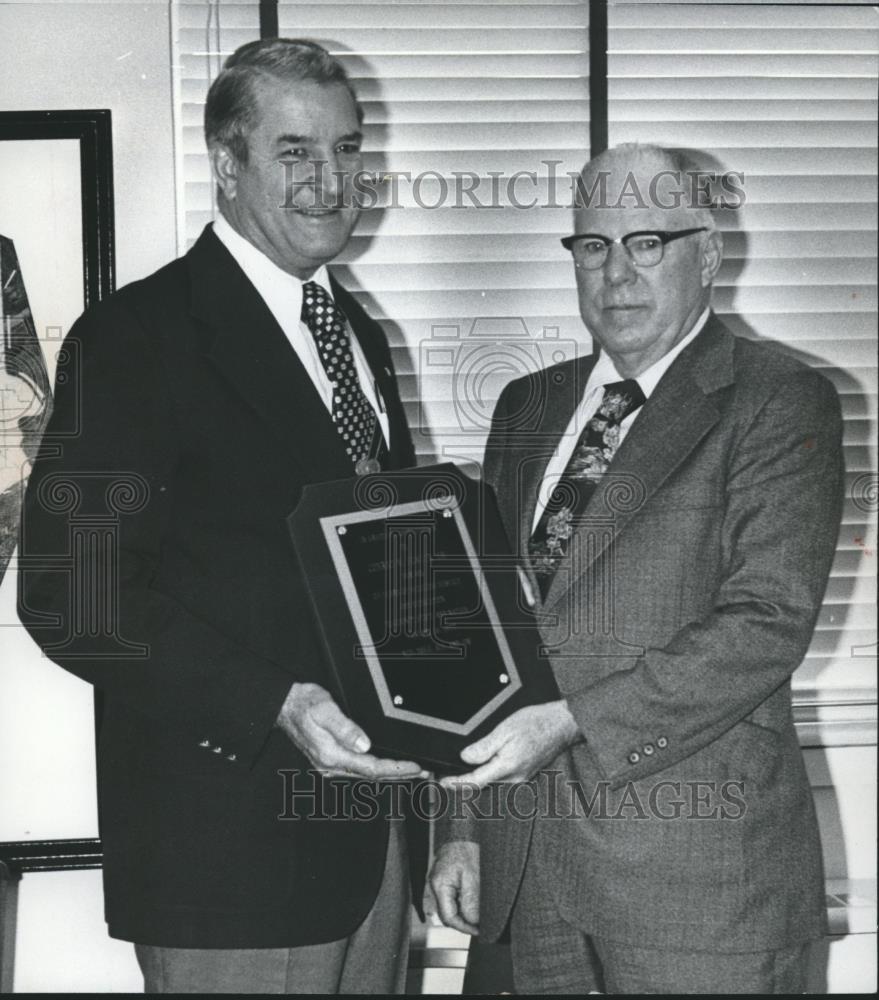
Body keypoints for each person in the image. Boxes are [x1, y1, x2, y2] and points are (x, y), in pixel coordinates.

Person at [18, 38, 426, 994]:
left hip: (370, 848)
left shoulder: (357, 332)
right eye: (295, 153)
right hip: (225, 863)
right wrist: (277, 703)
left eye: (349, 149)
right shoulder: (134, 338)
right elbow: (70, 597)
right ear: (229, 165)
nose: (331, 181)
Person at [427, 143, 843, 994]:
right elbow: (487, 628)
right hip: (524, 881)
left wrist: (571, 720)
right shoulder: (528, 406)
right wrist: (461, 825)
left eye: (646, 243)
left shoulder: (777, 398)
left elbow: (765, 624)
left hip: (698, 892)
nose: (616, 273)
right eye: (592, 246)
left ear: (708, 255)